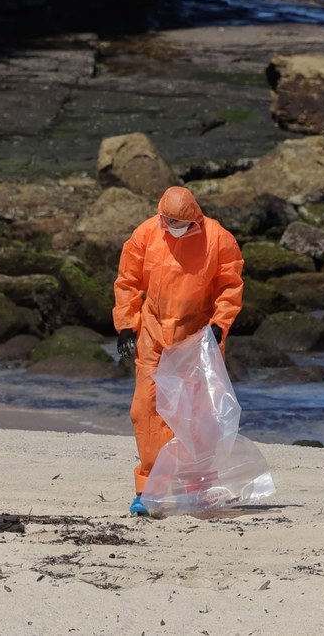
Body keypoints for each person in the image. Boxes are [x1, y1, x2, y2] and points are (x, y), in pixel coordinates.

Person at [113, 186, 244, 516]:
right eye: (165, 218)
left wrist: (218, 326)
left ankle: (196, 487)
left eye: (175, 220)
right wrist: (126, 326)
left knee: (196, 415)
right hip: (154, 334)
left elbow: (230, 286)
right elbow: (127, 282)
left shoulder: (218, 239)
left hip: (197, 335)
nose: (168, 223)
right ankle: (148, 489)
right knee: (145, 411)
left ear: (192, 218)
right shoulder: (146, 233)